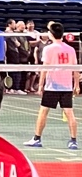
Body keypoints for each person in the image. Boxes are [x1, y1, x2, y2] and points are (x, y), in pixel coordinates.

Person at [24, 22, 80, 150]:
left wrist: (40, 85)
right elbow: (76, 69)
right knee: (69, 113)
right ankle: (73, 141)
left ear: (51, 34)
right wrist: (76, 85)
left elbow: (45, 68)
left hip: (52, 87)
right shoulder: (71, 49)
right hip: (66, 87)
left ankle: (37, 139)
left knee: (43, 112)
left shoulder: (48, 49)